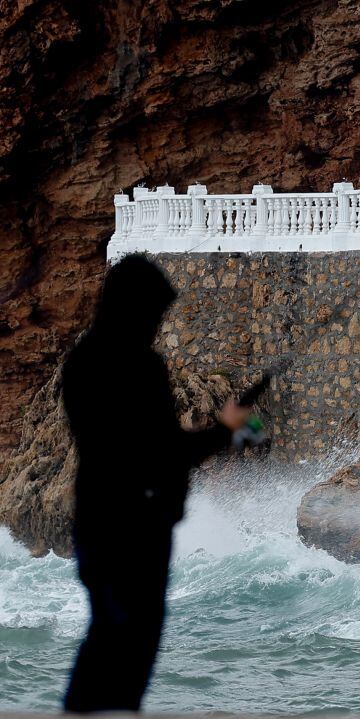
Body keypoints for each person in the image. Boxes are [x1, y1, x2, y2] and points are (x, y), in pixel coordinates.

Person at [61, 255, 251, 712]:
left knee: (106, 632)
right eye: (154, 315)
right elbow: (165, 452)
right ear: (136, 309)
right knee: (131, 644)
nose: (156, 326)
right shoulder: (139, 368)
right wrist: (227, 430)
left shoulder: (82, 361)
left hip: (95, 519)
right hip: (136, 526)